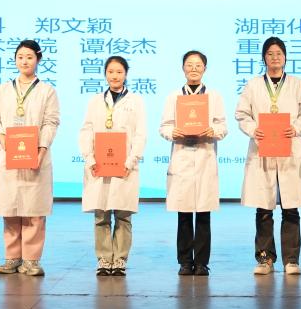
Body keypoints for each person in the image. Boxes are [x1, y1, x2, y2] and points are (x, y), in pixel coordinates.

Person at [236, 37, 301, 276]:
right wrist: (254, 130)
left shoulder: (296, 84)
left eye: (279, 53)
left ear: (285, 57)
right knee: (264, 208)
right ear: (264, 58)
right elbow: (242, 114)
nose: (275, 57)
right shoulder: (253, 85)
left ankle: (291, 260)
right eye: (270, 54)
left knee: (291, 208)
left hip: (290, 150)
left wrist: (296, 128)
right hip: (263, 150)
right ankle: (265, 259)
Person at [0, 40, 60, 276]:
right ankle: (12, 257)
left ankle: (31, 260)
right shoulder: (3, 89)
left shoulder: (47, 91)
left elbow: (51, 122)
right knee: (10, 209)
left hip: (36, 156)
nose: (24, 61)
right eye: (20, 57)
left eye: (29, 57)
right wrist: (2, 138)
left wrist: (41, 150)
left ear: (38, 59)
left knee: (34, 211)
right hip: (8, 154)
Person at [159, 50, 227, 276]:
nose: (194, 69)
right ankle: (185, 262)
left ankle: (202, 263)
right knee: (184, 214)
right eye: (189, 65)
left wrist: (213, 130)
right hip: (182, 158)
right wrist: (172, 132)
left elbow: (223, 126)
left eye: (198, 65)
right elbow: (164, 126)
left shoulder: (214, 97)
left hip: (205, 156)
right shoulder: (174, 97)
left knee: (204, 214)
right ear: (183, 69)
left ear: (204, 69)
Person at [79, 56, 146, 277]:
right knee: (101, 215)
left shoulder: (135, 101)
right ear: (105, 74)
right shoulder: (95, 101)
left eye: (119, 72)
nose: (114, 76)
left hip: (125, 166)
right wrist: (89, 158)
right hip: (99, 166)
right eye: (110, 71)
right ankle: (103, 258)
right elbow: (86, 131)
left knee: (123, 215)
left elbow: (140, 134)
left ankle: (120, 259)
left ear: (126, 74)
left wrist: (131, 161)